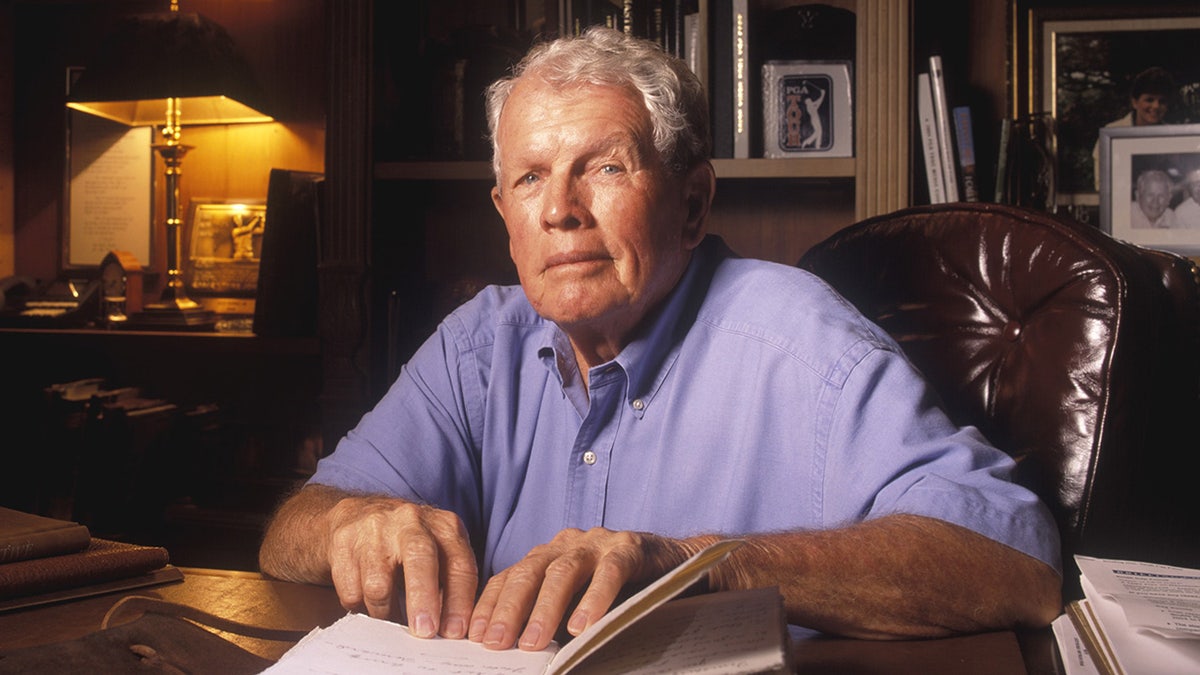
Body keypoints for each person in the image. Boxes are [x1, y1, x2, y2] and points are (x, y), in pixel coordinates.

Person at [259, 27, 1061, 652]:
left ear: (691, 202)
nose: (560, 209)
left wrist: (703, 566)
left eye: (604, 168)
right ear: (502, 209)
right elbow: (291, 528)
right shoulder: (477, 344)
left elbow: (1015, 563)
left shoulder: (805, 343)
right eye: (531, 177)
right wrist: (349, 524)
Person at [1094, 67, 1175, 189]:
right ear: (1134, 102)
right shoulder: (1112, 134)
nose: (1156, 106)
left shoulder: (1174, 138)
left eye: (1162, 101)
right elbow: (1101, 184)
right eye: (1149, 99)